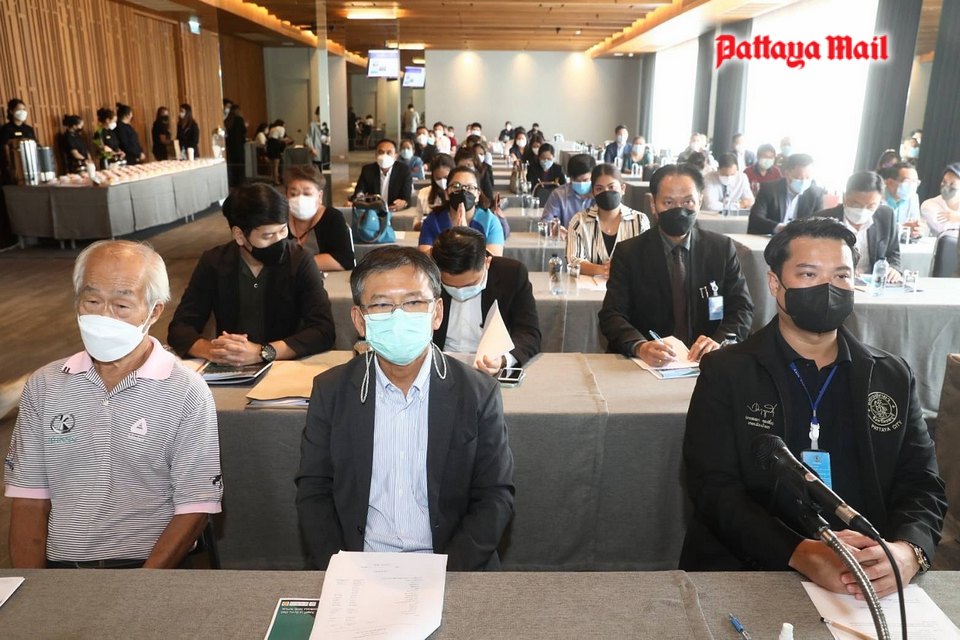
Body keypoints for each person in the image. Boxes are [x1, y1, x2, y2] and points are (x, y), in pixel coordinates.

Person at [680, 217, 946, 599]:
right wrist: (799, 552)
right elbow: (713, 488)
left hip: (864, 579)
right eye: (808, 274)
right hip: (749, 573)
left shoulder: (891, 376)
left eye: (841, 275)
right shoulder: (727, 371)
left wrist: (909, 551)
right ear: (775, 284)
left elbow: (922, 483)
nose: (828, 287)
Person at [5, 240, 223, 569]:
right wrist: (34, 585)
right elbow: (29, 498)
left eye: (121, 306)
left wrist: (141, 584)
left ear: (154, 311)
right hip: (62, 568)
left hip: (148, 566)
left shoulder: (186, 391)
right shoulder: (44, 385)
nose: (103, 316)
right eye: (92, 301)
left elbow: (196, 503)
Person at [295, 246, 515, 570]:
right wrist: (343, 568)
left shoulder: (478, 393)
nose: (399, 317)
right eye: (382, 304)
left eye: (413, 302)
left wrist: (445, 572)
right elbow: (314, 491)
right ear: (359, 320)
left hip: (452, 565)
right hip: (358, 565)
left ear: (437, 313)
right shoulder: (331, 391)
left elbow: (495, 496)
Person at [599, 164, 753, 362]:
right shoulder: (629, 252)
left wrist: (718, 342)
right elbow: (612, 314)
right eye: (668, 202)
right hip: (649, 363)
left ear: (700, 201)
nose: (679, 210)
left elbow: (742, 308)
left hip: (707, 362)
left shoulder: (721, 249)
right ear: (653, 204)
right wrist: (639, 346)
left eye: (688, 201)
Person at [168, 183, 336, 363]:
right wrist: (215, 351)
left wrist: (262, 352)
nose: (279, 241)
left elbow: (323, 330)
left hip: (285, 365)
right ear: (239, 235)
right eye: (267, 236)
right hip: (231, 366)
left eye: (282, 230)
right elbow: (180, 328)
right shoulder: (214, 262)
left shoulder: (300, 260)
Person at [431, 227, 541, 373]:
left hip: (489, 364)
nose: (460, 291)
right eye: (450, 286)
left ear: (487, 262)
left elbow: (528, 333)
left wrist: (503, 360)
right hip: (439, 363)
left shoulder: (512, 274)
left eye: (470, 285)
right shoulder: (425, 278)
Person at [808, 171, 902, 283]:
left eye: (871, 206)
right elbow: (811, 259)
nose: (862, 210)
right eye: (856, 204)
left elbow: (893, 254)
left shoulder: (886, 216)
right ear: (844, 197)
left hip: (872, 284)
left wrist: (893, 269)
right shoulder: (822, 220)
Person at [567, 164, 650, 277]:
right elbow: (573, 261)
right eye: (599, 189)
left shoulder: (640, 221)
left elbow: (645, 261)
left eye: (611, 187)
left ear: (623, 189)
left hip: (628, 286)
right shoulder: (579, 221)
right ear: (593, 192)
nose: (606, 192)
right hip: (588, 287)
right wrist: (605, 270)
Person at [418, 165, 504, 256]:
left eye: (470, 187)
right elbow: (424, 257)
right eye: (456, 186)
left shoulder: (490, 221)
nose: (463, 192)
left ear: (477, 195)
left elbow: (493, 258)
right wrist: (455, 240)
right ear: (446, 194)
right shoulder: (433, 220)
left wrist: (465, 239)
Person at [285, 165, 354, 271]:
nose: (300, 199)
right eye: (293, 194)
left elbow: (345, 261)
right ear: (286, 195)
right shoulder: (279, 218)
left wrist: (298, 263)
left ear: (320, 196)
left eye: (307, 194)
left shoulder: (332, 217)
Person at [748, 153, 824, 235]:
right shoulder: (769, 189)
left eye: (808, 178)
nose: (803, 182)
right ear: (787, 174)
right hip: (772, 238)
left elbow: (820, 224)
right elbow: (755, 219)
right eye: (799, 178)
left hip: (802, 239)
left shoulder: (816, 194)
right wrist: (779, 228)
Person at [350, 139, 413, 212]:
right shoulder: (368, 170)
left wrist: (403, 203)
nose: (384, 156)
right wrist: (358, 197)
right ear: (376, 155)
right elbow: (359, 191)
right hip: (373, 211)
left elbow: (407, 198)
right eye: (381, 152)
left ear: (396, 156)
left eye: (389, 153)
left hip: (394, 211)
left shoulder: (404, 171)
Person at [542, 154, 596, 229]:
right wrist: (555, 229)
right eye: (577, 181)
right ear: (570, 178)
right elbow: (546, 221)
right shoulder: (559, 195)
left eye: (585, 180)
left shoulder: (600, 194)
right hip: (566, 235)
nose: (581, 184)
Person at [0, 98, 37, 183]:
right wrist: (10, 165)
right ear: (11, 111)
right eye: (19, 109)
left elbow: (35, 145)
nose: (22, 112)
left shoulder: (29, 129)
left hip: (30, 165)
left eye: (24, 109)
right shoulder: (6, 129)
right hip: (13, 167)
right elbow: (5, 147)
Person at [882, 162, 922, 236]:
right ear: (890, 182)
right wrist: (902, 228)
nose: (912, 186)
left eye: (915, 182)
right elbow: (877, 229)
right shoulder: (877, 197)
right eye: (907, 181)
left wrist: (916, 230)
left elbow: (915, 223)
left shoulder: (913, 198)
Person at [416, 153, 455, 230]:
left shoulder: (460, 194)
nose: (442, 182)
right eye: (438, 178)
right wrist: (424, 223)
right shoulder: (423, 194)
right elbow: (415, 225)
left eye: (446, 177)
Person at [920, 163, 960, 235]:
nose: (946, 186)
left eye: (952, 184)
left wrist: (958, 218)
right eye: (944, 182)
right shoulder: (929, 205)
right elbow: (947, 232)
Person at [223, 104, 247, 185]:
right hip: (238, 144)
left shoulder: (227, 120)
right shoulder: (239, 119)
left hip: (230, 145)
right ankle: (240, 181)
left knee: (232, 163)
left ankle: (233, 181)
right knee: (240, 163)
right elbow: (243, 131)